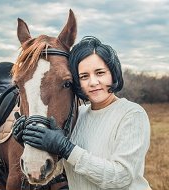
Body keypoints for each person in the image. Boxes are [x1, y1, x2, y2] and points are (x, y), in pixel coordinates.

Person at [13, 36, 152, 190]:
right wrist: (30, 142)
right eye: (84, 76)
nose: (93, 82)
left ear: (113, 73)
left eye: (100, 73)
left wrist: (67, 148)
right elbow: (64, 167)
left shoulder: (132, 114)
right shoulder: (78, 115)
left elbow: (121, 178)